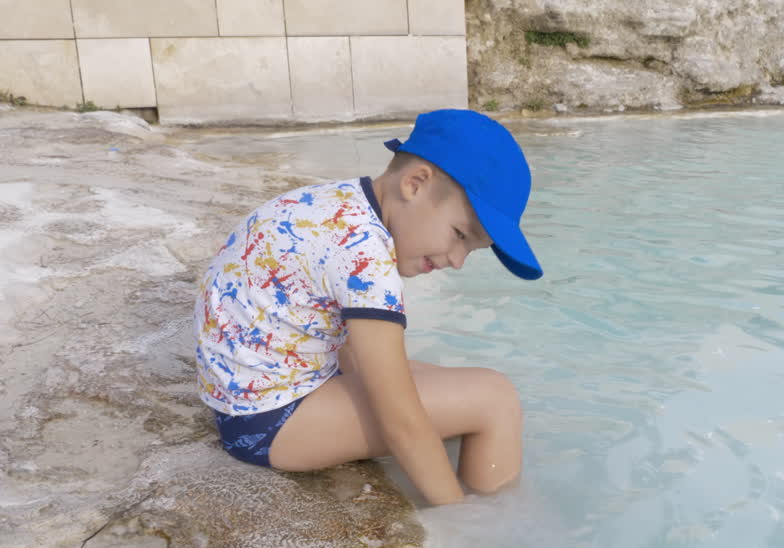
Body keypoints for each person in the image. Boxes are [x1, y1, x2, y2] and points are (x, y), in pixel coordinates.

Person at [193, 109, 541, 506]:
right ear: (415, 183)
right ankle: (493, 518)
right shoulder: (366, 258)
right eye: (459, 235)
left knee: (454, 384)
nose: (457, 260)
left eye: (471, 250)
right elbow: (401, 420)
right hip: (269, 425)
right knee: (494, 399)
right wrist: (457, 514)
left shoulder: (337, 204)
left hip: (247, 399)